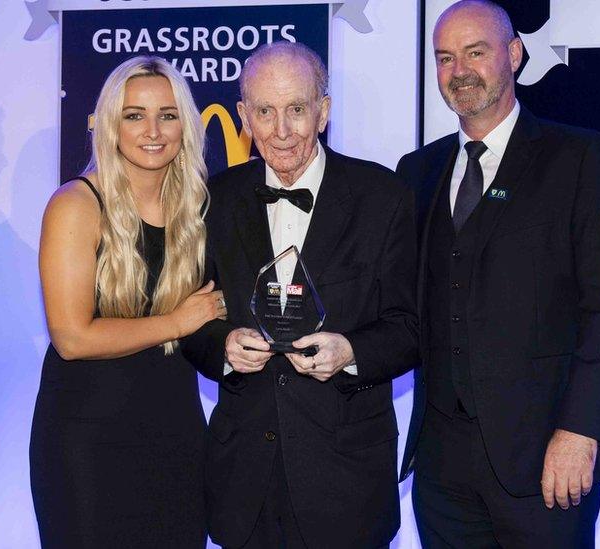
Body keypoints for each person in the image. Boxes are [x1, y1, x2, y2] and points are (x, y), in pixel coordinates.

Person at [396, 1, 600, 547]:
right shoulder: (418, 172)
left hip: (547, 462)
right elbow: (405, 307)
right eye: (445, 58)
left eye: (475, 52)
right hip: (441, 468)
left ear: (513, 54)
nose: (460, 70)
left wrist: (581, 432)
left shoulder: (579, 159)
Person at [180, 41, 418, 549]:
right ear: (243, 116)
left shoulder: (384, 197)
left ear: (323, 111)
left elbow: (412, 326)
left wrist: (351, 352)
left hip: (347, 478)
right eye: (264, 111)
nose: (281, 131)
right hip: (245, 479)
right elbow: (190, 323)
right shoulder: (213, 201)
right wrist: (222, 346)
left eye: (296, 110)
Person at [29, 56, 226, 548]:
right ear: (109, 124)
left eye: (168, 114)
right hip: (87, 441)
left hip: (176, 436)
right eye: (134, 115)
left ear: (187, 123)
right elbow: (72, 338)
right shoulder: (75, 205)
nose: (153, 130)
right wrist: (177, 321)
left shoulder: (201, 208)